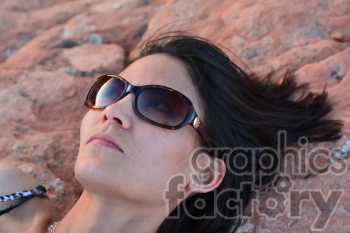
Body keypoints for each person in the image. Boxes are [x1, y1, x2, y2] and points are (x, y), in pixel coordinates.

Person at [0, 32, 343, 233]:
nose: (114, 112)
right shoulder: (8, 192)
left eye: (160, 106)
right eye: (112, 91)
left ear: (204, 172)